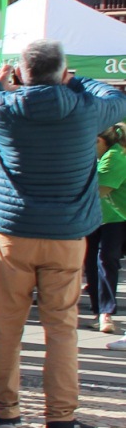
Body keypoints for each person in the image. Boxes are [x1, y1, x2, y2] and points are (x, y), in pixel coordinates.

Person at [0, 45, 126, 428]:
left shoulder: (1, 106)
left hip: (13, 233)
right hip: (65, 234)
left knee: (7, 325)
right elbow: (117, 99)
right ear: (62, 73)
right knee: (61, 328)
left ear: (21, 75)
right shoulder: (85, 108)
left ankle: (6, 413)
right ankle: (61, 418)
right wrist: (77, 80)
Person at [83, 124, 126, 334]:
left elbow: (99, 191)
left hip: (116, 219)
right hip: (97, 219)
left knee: (105, 261)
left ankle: (106, 312)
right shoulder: (98, 155)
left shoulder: (114, 156)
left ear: (101, 140)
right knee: (92, 263)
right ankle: (99, 312)